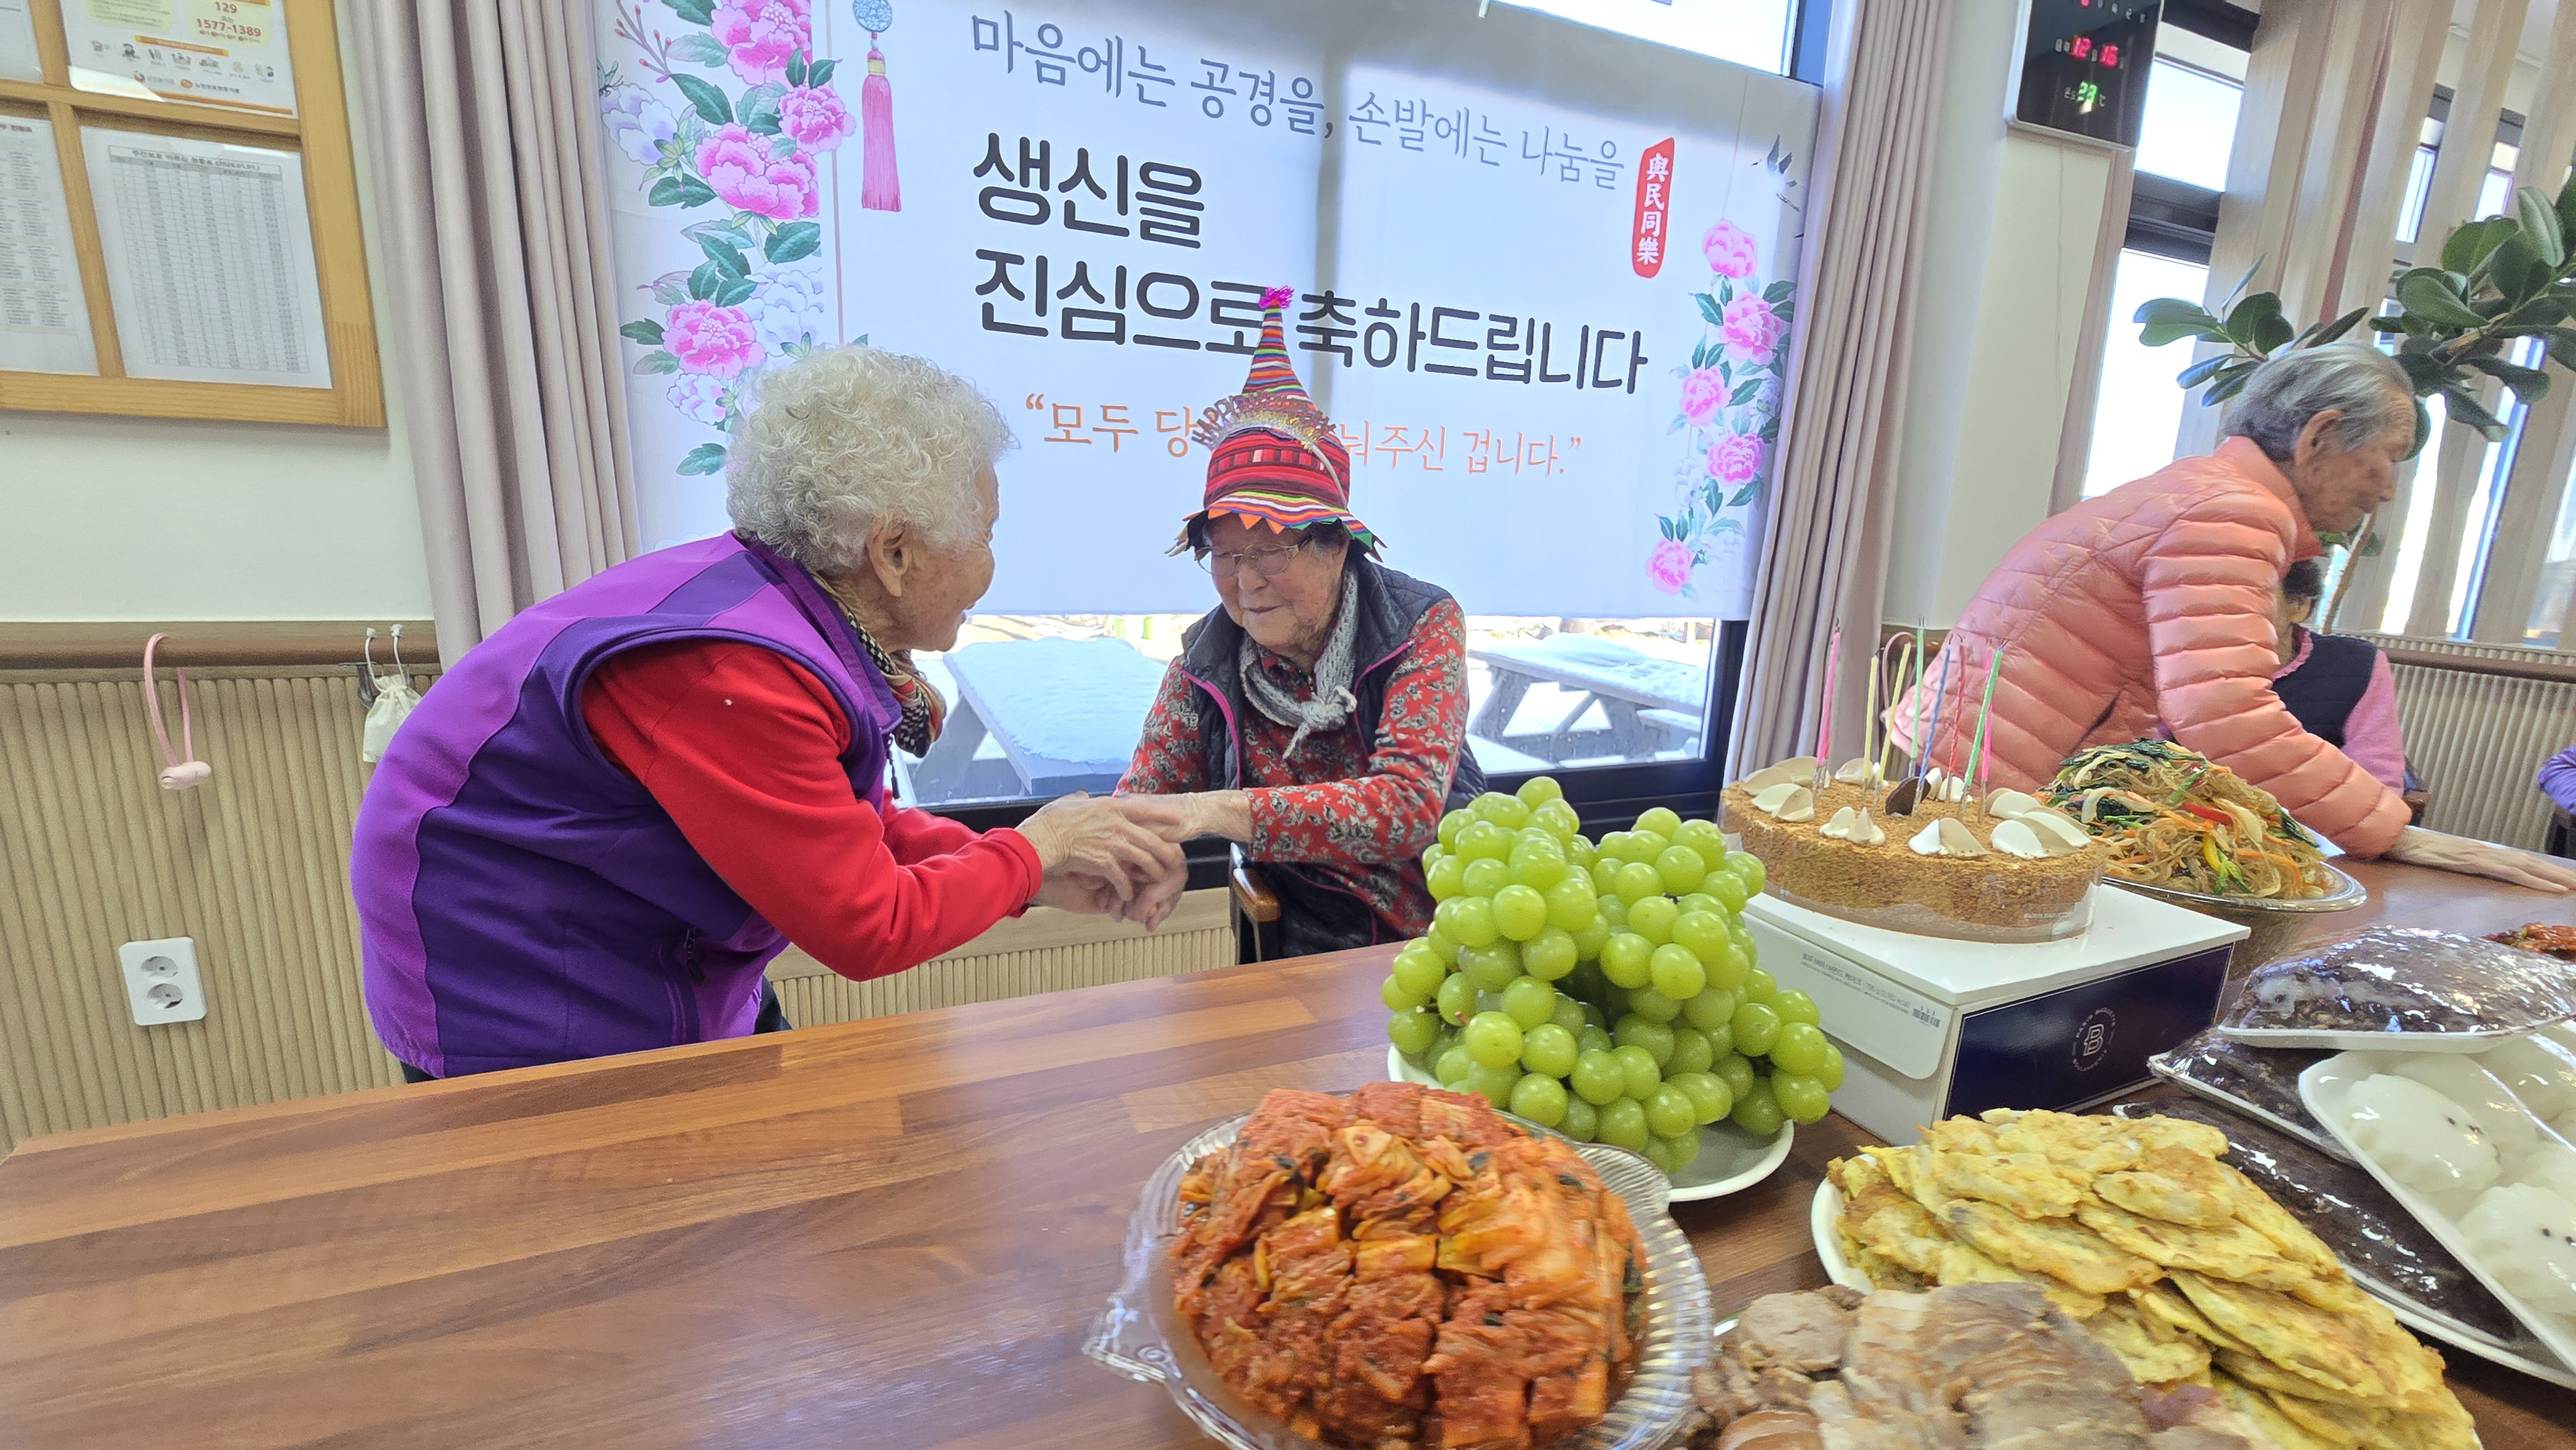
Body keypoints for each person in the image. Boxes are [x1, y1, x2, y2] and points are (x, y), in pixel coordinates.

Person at [350, 347, 1186, 1079]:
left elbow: (851, 831)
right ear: (894, 552)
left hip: (639, 944)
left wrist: (1029, 877)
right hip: (531, 984)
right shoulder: (735, 672)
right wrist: (1036, 848)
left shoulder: (781, 605)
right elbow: (869, 925)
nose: (992, 566)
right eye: (987, 534)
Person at [1887, 343, 2576, 892]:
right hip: (1991, 770)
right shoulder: (2233, 511)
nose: (2388, 489)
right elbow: (2224, 711)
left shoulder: (2198, 487)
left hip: (1973, 749)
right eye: (2388, 458)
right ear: (2320, 435)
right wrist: (2391, 830)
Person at [1114, 287, 1481, 956]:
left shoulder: (1420, 625)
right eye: (1225, 555)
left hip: (1448, 937)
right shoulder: (1206, 664)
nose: (1245, 581)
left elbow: (1406, 807)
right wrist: (1137, 854)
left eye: (1269, 552)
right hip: (1302, 946)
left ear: (1337, 545)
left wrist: (1213, 811)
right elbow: (1143, 801)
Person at [2267, 558, 2407, 793]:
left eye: (2252, 595)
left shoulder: (2355, 665)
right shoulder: (2197, 666)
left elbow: (2377, 783)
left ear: (2299, 605)